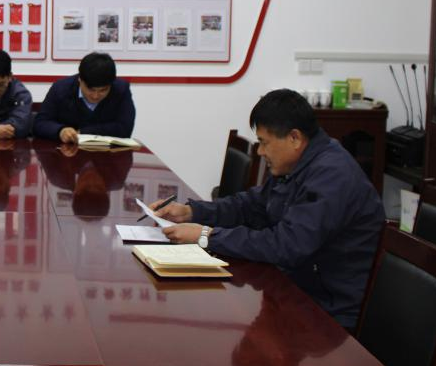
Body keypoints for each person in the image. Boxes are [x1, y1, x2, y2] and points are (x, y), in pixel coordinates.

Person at [151, 89, 385, 330]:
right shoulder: (298, 163)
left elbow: (287, 245)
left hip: (328, 313)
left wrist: (207, 236)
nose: (260, 152)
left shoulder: (332, 176)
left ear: (294, 138)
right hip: (293, 290)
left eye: (264, 143)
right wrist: (192, 212)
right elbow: (251, 206)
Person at [32, 52, 135, 143]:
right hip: (66, 154)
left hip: (109, 155)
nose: (95, 96)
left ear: (111, 84)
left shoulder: (121, 90)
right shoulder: (61, 89)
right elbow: (40, 123)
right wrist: (60, 131)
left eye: (103, 90)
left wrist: (83, 132)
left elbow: (125, 128)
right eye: (90, 89)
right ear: (80, 80)